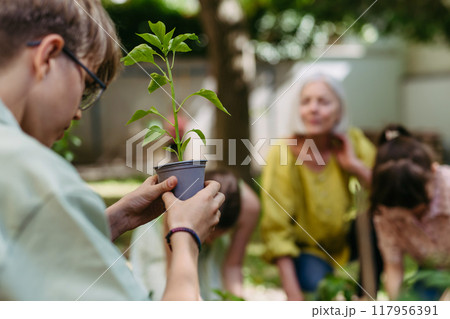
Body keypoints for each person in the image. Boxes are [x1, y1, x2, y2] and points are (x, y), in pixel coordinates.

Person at [0, 0, 224, 300]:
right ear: (48, 56)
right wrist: (187, 236)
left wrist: (117, 220)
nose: (79, 112)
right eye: (87, 87)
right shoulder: (35, 179)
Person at [260, 73, 376, 300]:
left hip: (351, 245)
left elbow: (390, 193)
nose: (313, 109)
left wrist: (355, 166)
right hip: (307, 252)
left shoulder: (352, 140)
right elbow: (276, 232)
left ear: (339, 110)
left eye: (323, 102)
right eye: (306, 101)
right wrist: (295, 300)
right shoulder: (282, 152)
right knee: (323, 293)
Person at [130, 169, 260, 300]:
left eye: (215, 236)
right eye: (210, 234)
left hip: (196, 235)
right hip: (166, 241)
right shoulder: (178, 203)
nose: (209, 241)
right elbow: (174, 271)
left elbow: (233, 266)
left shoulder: (250, 208)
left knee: (214, 294)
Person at [370, 124, 450, 300]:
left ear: (433, 171)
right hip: (433, 272)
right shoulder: (386, 209)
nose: (413, 214)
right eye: (404, 209)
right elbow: (394, 267)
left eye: (419, 205)